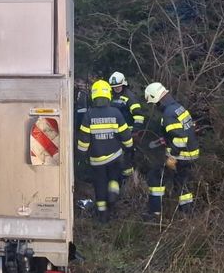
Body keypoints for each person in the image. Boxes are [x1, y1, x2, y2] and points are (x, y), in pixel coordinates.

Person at [76, 80, 134, 222]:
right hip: (115, 157)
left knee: (99, 185)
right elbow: (126, 136)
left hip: (96, 161)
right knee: (114, 177)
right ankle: (113, 193)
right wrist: (129, 147)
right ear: (108, 94)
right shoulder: (116, 112)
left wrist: (81, 156)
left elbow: (84, 141)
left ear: (94, 96)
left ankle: (102, 215)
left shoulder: (89, 115)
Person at [143, 82, 200, 218]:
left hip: (181, 155)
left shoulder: (168, 114)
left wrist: (172, 157)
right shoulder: (178, 107)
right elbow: (187, 129)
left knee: (155, 177)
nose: (155, 107)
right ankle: (187, 213)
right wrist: (165, 139)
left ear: (157, 99)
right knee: (181, 182)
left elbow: (180, 138)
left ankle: (155, 213)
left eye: (154, 103)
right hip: (191, 153)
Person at [108, 71, 144, 182]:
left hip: (127, 134)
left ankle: (128, 183)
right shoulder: (110, 96)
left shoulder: (130, 97)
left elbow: (139, 116)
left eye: (118, 86)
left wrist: (135, 132)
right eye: (114, 87)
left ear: (123, 84)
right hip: (113, 134)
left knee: (126, 161)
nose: (116, 88)